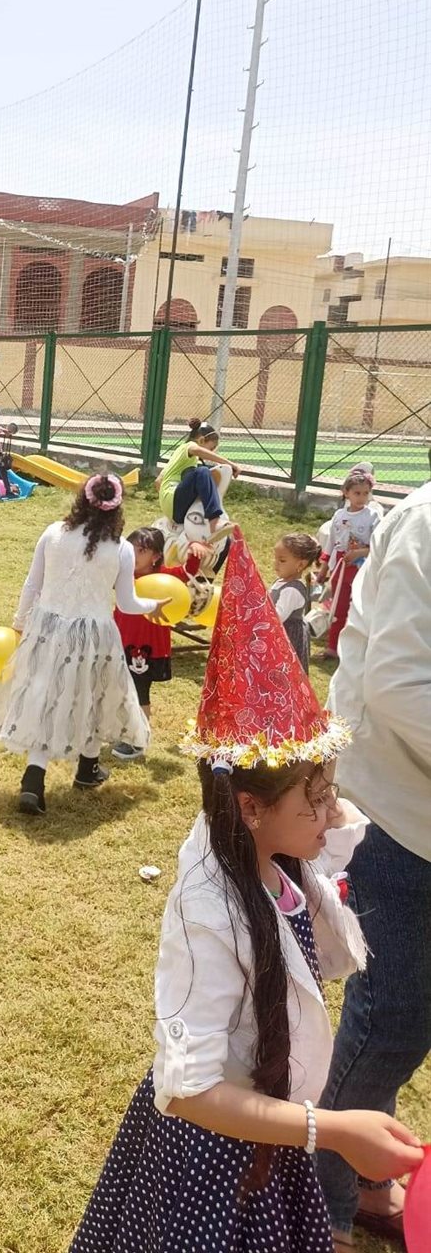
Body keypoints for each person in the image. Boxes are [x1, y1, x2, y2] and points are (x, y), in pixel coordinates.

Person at [70, 535, 424, 1252]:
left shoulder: (275, 855)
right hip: (217, 1158)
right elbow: (190, 1091)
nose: (333, 812)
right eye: (316, 800)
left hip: (273, 1130)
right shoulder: (210, 913)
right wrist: (333, 1129)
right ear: (251, 808)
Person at [317, 463, 431, 1250]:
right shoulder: (426, 524)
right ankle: (324, 1196)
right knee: (393, 1014)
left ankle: (353, 1175)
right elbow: (398, 684)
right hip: (397, 814)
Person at [0, 474, 164, 813]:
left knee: (44, 695)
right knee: (92, 697)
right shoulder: (121, 549)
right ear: (116, 508)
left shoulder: (54, 533)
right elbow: (127, 603)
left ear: (82, 499)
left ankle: (34, 779)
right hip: (95, 634)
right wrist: (154, 604)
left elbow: (32, 584)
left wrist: (20, 623)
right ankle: (87, 768)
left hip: (48, 627)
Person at [112, 526, 204, 762]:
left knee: (139, 690)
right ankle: (127, 730)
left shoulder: (164, 576)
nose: (134, 555)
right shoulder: (123, 573)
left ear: (155, 556)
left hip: (145, 646)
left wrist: (194, 551)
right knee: (123, 688)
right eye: (131, 549)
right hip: (121, 640)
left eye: (141, 551)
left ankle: (137, 740)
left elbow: (187, 571)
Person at [316, 469, 381, 662]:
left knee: (360, 608)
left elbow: (378, 545)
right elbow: (331, 544)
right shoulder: (339, 515)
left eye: (365, 493)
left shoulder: (373, 516)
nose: (362, 497)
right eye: (357, 493)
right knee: (338, 606)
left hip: (362, 568)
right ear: (346, 492)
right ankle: (332, 647)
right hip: (341, 566)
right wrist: (324, 569)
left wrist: (360, 553)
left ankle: (357, 651)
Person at [156, 417, 240, 532]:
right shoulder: (188, 446)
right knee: (202, 471)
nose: (211, 452)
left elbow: (158, 482)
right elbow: (197, 450)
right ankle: (214, 520)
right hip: (174, 501)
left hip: (172, 508)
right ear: (201, 440)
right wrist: (229, 463)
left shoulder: (178, 457)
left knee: (199, 474)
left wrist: (167, 507)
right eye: (211, 448)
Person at [270, 532, 321, 673]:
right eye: (275, 558)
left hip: (288, 638)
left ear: (300, 564)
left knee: (285, 673)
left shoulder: (292, 590)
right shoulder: (280, 582)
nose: (276, 564)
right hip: (278, 635)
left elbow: (277, 617)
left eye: (282, 560)